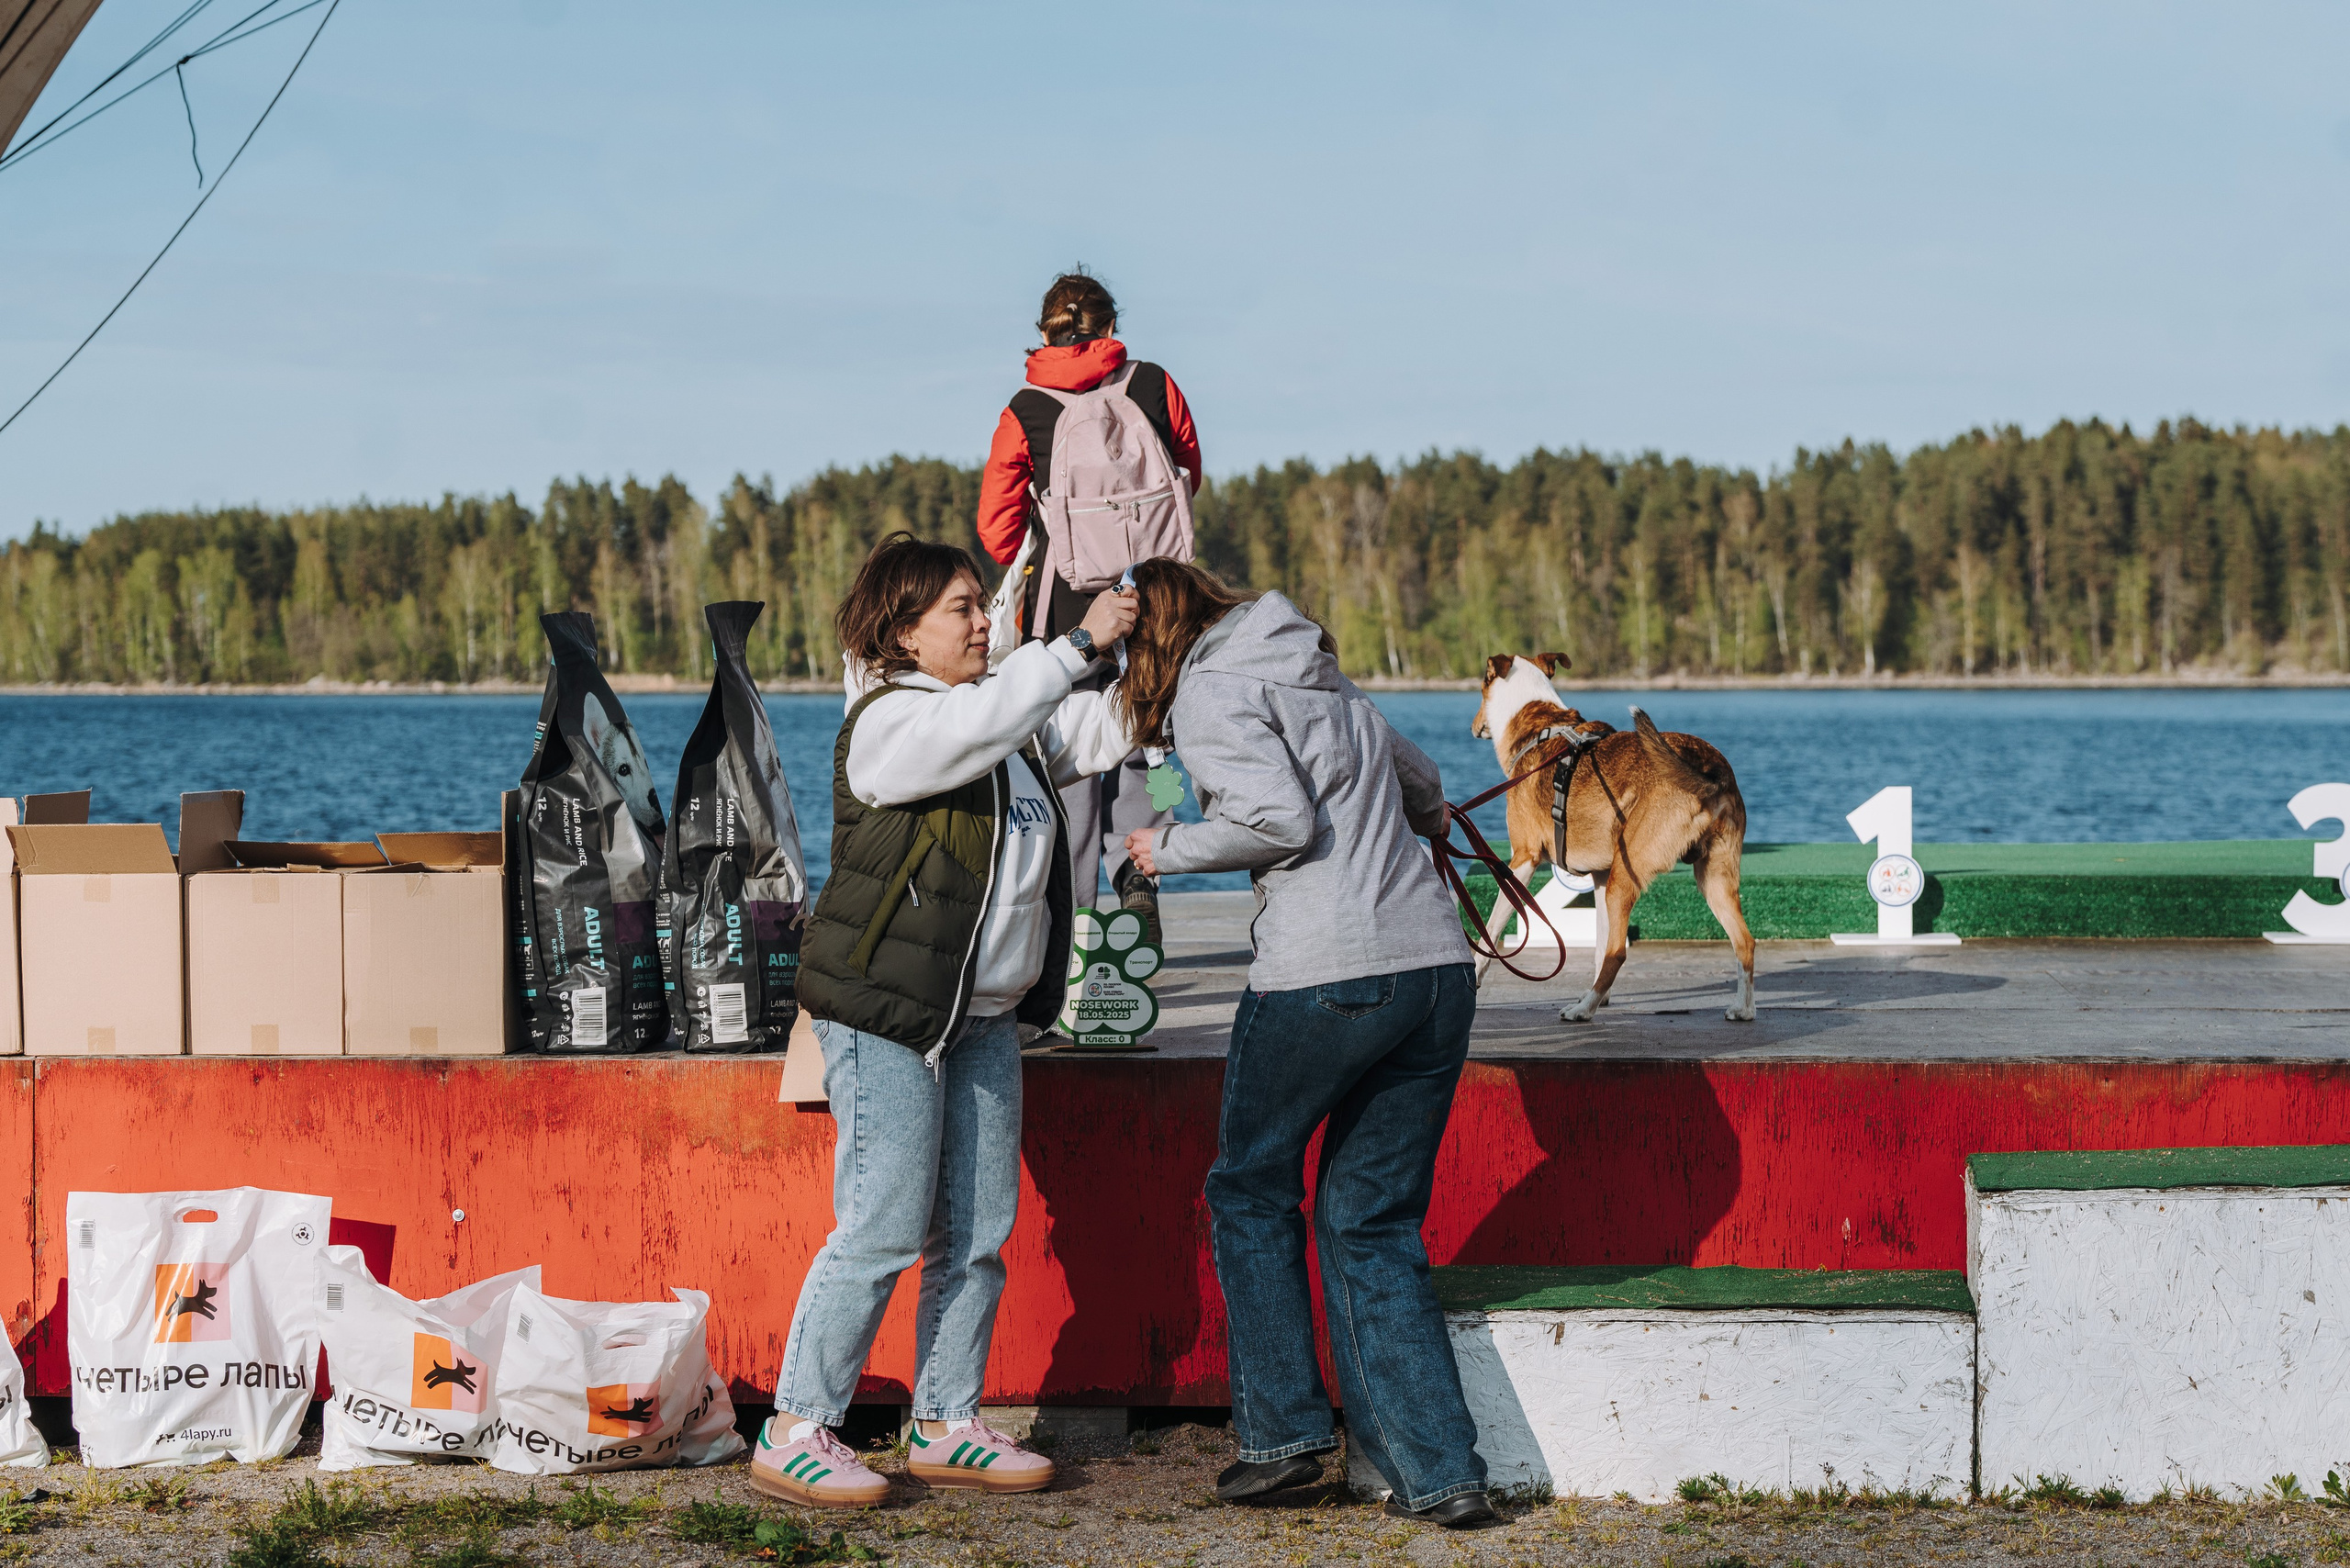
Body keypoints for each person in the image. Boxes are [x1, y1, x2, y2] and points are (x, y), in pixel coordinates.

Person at [755, 532, 1138, 1508]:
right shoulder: (890, 721)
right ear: (902, 632)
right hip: (887, 1013)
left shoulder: (1001, 723)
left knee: (975, 1230)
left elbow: (1090, 734)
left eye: (983, 604)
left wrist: (1162, 657)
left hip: (982, 1017)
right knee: (882, 1224)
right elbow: (998, 714)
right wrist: (1073, 645)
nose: (985, 621)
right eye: (962, 609)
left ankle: (946, 1421)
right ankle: (797, 1425)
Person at [1115, 560, 1500, 1530]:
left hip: (1322, 973)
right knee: (1371, 1218)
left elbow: (1273, 821)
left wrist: (1170, 849)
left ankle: (1284, 1438)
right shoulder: (1317, 668)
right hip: (1435, 971)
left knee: (1250, 1187)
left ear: (1154, 632)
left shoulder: (1209, 686)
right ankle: (1438, 1472)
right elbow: (1425, 788)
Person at [977, 269, 1203, 941]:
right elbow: (1189, 470)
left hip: (1065, 611)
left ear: (1043, 334)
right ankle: (1142, 878)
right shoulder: (1154, 384)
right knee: (1154, 744)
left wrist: (1048, 540)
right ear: (1110, 328)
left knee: (1067, 756)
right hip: (1159, 603)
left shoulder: (1026, 408)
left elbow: (996, 527)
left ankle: (1070, 927)